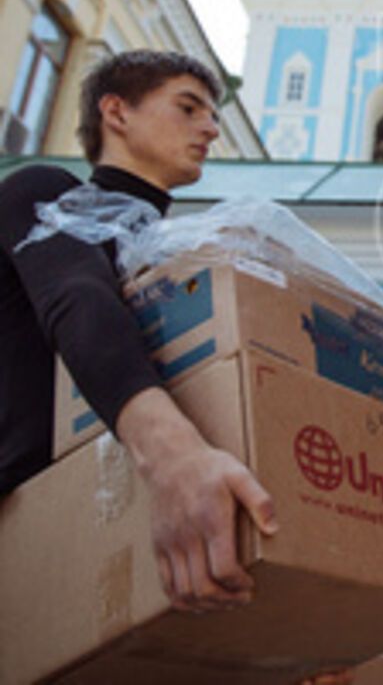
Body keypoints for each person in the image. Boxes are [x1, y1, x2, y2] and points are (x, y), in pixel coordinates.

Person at [0, 49, 278, 613]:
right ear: (116, 112)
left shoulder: (180, 261)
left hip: (114, 543)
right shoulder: (43, 193)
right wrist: (173, 458)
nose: (210, 129)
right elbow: (78, 296)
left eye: (214, 116)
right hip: (23, 531)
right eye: (189, 108)